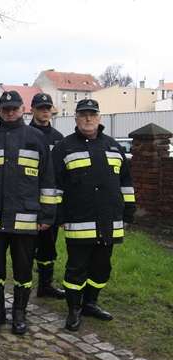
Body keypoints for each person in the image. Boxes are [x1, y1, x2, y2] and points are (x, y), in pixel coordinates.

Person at [0, 90, 57, 335]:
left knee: (23, 269)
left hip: (25, 219)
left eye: (14, 108)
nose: (10, 112)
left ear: (22, 109)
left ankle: (20, 313)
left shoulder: (36, 138)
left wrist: (47, 215)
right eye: (5, 109)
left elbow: (47, 179)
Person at [53, 99, 135, 331]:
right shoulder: (64, 147)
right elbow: (55, 186)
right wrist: (59, 216)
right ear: (76, 118)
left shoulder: (113, 146)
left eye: (92, 114)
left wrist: (129, 211)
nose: (88, 118)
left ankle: (90, 303)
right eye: (83, 114)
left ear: (99, 117)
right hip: (79, 220)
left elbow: (126, 182)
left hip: (109, 219)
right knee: (76, 268)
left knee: (101, 267)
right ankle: (74, 309)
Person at [29, 93, 65, 299]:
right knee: (26, 247)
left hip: (51, 203)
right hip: (27, 201)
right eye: (40, 108)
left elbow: (62, 173)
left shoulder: (59, 138)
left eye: (47, 108)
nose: (44, 111)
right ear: (32, 110)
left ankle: (45, 285)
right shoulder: (24, 134)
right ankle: (23, 285)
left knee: (48, 246)